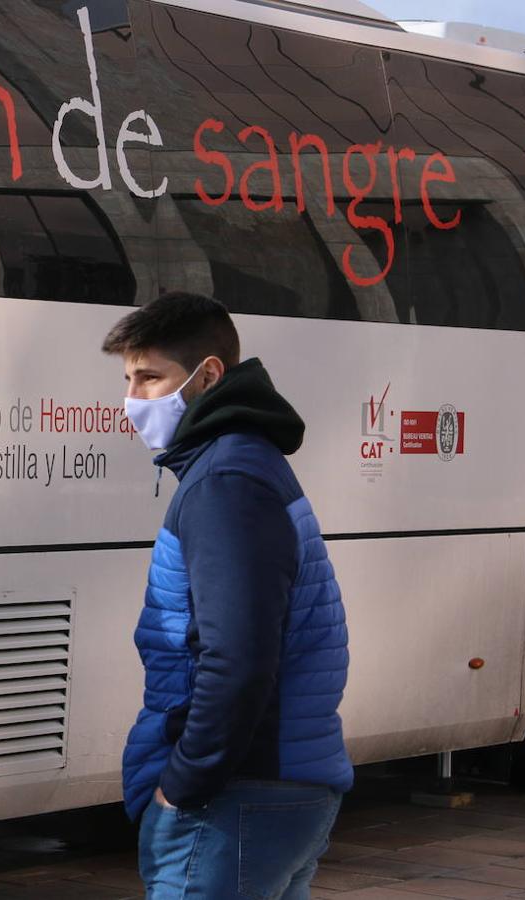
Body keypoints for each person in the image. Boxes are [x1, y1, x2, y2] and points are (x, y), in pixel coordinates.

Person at [103, 292, 353, 899]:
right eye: (128, 379)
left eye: (150, 377)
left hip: (235, 798)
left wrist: (181, 784)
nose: (132, 400)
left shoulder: (226, 482)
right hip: (270, 788)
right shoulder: (238, 465)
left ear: (208, 375)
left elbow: (238, 659)